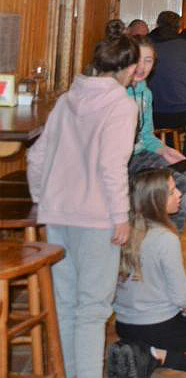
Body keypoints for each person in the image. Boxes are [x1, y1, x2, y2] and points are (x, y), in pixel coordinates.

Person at [27, 19, 139, 378]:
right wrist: (120, 215)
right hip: (97, 217)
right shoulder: (122, 106)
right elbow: (112, 165)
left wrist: (43, 198)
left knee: (65, 303)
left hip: (58, 213)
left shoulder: (66, 99)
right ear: (128, 68)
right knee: (92, 310)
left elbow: (36, 156)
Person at [107, 169, 186, 378]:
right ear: (155, 201)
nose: (180, 194)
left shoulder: (122, 232)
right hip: (160, 324)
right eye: (172, 192)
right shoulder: (165, 238)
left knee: (184, 335)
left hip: (125, 325)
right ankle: (154, 356)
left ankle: (137, 349)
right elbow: (182, 296)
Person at [125, 33, 186, 231]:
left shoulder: (146, 93)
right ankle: (167, 236)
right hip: (126, 159)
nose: (142, 67)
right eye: (138, 59)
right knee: (183, 185)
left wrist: (165, 150)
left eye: (148, 61)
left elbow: (147, 135)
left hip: (143, 153)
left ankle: (160, 231)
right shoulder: (119, 91)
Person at [148, 10, 186, 131]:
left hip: (150, 111)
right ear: (179, 27)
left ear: (157, 24)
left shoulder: (145, 44)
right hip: (179, 112)